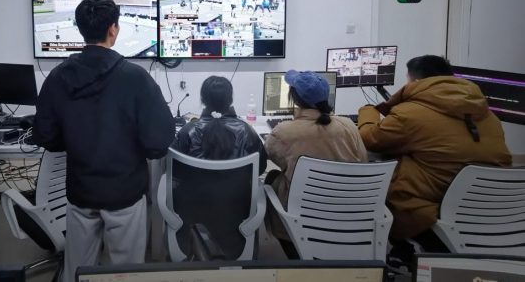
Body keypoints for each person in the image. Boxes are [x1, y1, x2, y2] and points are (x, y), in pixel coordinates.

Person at [34, 0, 174, 282]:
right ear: (113, 29)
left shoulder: (58, 77)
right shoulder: (136, 78)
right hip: (124, 192)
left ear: (79, 29)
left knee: (77, 269)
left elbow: (45, 135)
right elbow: (158, 143)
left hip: (80, 190)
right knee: (126, 272)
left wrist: (75, 141)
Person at [358, 55, 512, 246]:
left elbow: (369, 139)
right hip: (489, 209)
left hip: (429, 212)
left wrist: (368, 111)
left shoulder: (409, 114)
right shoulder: (489, 116)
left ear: (416, 82)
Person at [265, 71, 367, 258]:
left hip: (301, 216)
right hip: (345, 214)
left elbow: (274, 157)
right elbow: (363, 161)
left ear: (295, 99)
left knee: (272, 177)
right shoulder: (349, 126)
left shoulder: (284, 132)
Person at [172, 76, 267, 173]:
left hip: (193, 183)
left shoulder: (187, 131)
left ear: (203, 99)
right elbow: (260, 168)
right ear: (231, 100)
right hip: (239, 183)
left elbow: (174, 168)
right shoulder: (247, 131)